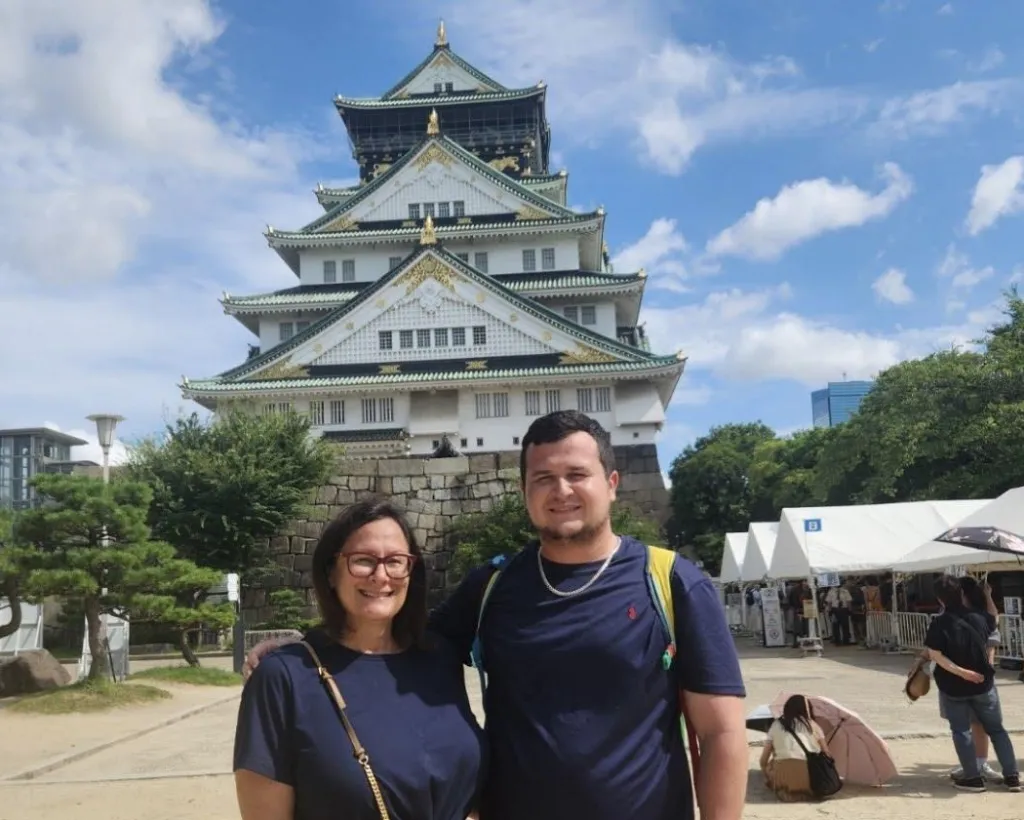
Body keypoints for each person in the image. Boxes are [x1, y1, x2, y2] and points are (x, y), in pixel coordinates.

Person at [246, 411, 748, 820]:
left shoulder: (671, 582)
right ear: (524, 490)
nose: (561, 491)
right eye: (543, 478)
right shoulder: (493, 586)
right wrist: (302, 651)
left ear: (612, 483)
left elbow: (721, 732)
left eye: (577, 475)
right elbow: (389, 635)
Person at [234, 498, 487, 819]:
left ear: (411, 571)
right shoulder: (282, 679)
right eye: (363, 560)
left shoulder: (439, 658)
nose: (381, 576)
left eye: (395, 561)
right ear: (331, 572)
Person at [924, 574, 1020, 793]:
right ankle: (1012, 776)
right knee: (997, 730)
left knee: (961, 731)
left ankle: (973, 778)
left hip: (953, 687)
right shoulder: (980, 617)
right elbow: (994, 619)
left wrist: (962, 672)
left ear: (939, 599)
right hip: (984, 685)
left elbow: (936, 655)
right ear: (960, 593)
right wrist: (987, 595)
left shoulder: (939, 623)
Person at [943, 576, 1003, 782]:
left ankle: (976, 766)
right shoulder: (962, 613)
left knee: (968, 724)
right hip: (976, 676)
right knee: (974, 723)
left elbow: (993, 626)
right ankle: (977, 764)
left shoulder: (972, 615)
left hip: (963, 676)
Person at [759, 695, 832, 802]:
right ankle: (805, 791)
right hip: (810, 775)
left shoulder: (775, 725)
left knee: (772, 763)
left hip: (783, 775)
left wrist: (766, 775)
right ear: (807, 709)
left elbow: (763, 760)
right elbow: (827, 753)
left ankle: (785, 788)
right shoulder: (813, 725)